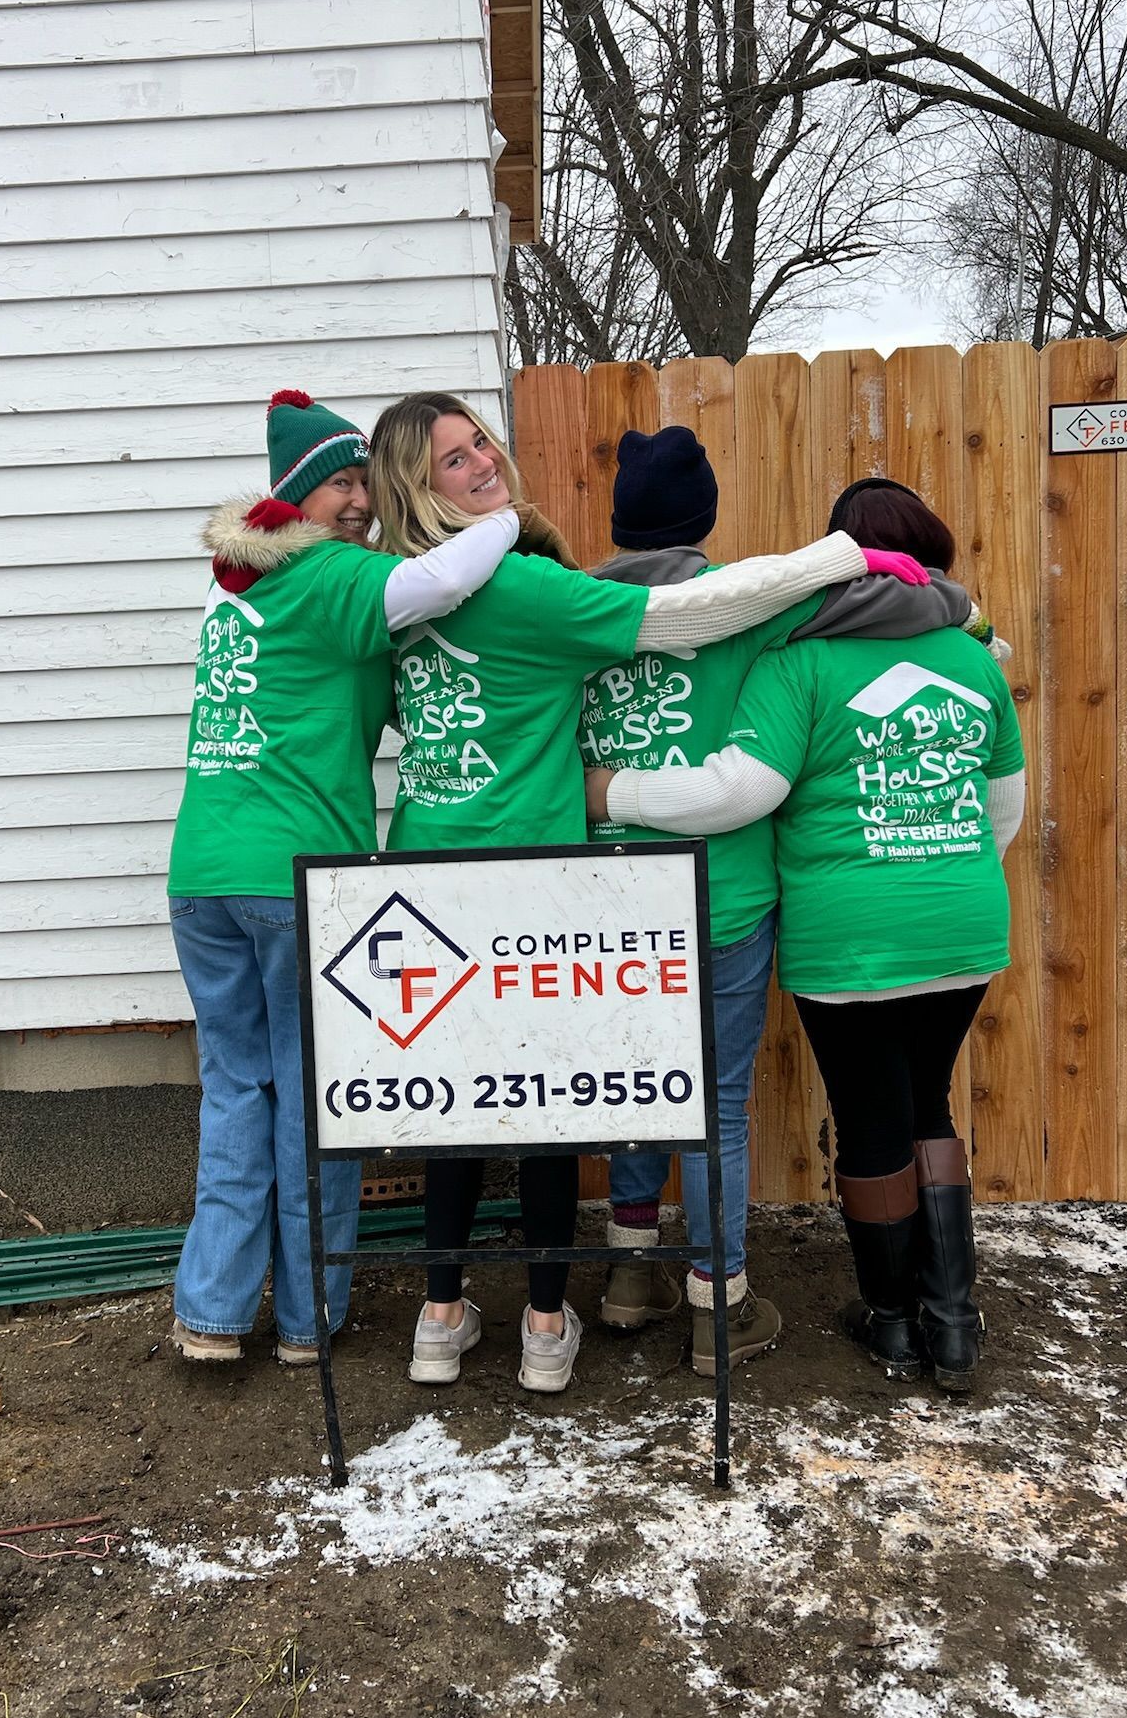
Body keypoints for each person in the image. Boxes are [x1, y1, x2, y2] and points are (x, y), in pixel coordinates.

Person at [367, 393, 929, 1396]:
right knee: (693, 1099)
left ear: (621, 518)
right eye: (455, 456)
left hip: (590, 893)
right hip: (699, 892)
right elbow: (844, 615)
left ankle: (616, 1268)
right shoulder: (587, 598)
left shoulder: (424, 597)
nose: (482, 460)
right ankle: (710, 1296)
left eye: (479, 442)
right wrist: (952, 609)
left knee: (599, 1080)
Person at [587, 477, 1024, 1395]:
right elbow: (1003, 811)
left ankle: (894, 1321)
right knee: (929, 1107)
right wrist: (932, 860)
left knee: (869, 1118)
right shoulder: (977, 661)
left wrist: (614, 792)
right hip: (964, 922)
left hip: (849, 937)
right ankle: (953, 1321)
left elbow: (742, 790)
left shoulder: (799, 660)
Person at [166, 388, 522, 1367]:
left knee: (239, 1091)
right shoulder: (319, 576)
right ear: (294, 498)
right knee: (317, 1100)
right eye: (339, 483)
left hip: (201, 872)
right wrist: (504, 518)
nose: (359, 500)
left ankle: (211, 1310)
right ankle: (304, 1319)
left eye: (364, 479)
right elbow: (436, 586)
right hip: (289, 878)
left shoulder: (233, 585)